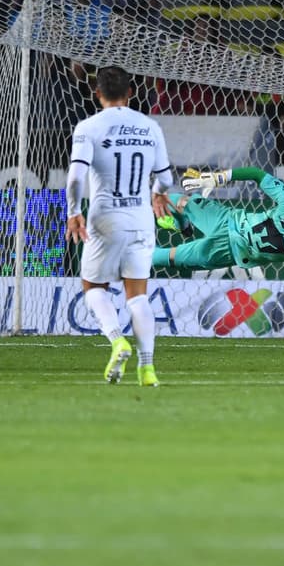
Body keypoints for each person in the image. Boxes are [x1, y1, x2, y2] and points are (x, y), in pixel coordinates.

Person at [65, 65, 174, 387]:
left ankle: (117, 340)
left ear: (96, 93)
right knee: (138, 296)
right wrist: (157, 194)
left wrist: (74, 211)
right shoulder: (149, 126)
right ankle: (147, 368)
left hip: (105, 219)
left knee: (93, 287)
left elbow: (75, 178)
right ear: (131, 92)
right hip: (141, 219)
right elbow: (166, 178)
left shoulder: (88, 127)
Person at [161, 167, 284, 320]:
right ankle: (179, 222)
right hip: (227, 219)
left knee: (166, 257)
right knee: (178, 201)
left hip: (227, 251)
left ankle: (169, 232)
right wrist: (220, 177)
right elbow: (257, 174)